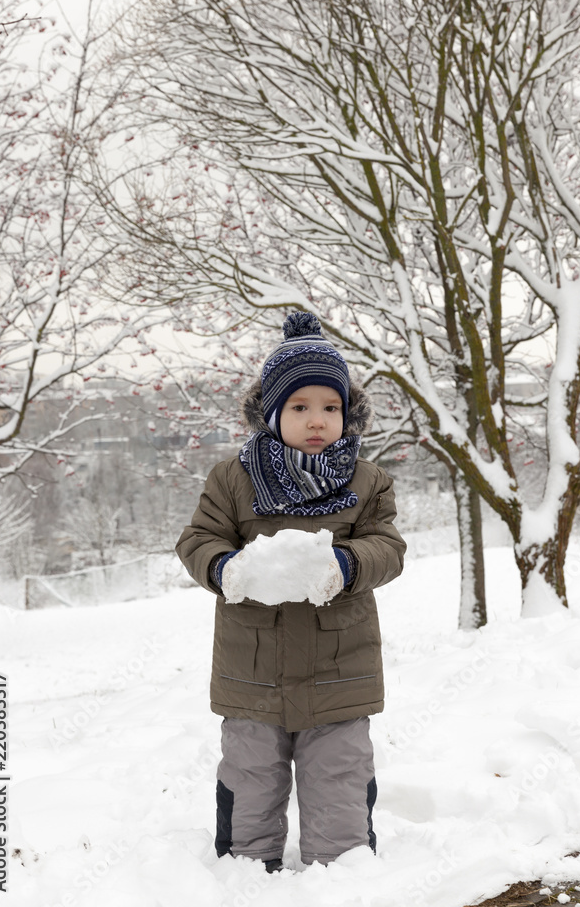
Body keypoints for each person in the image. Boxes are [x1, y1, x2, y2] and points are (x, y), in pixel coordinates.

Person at [176, 311, 406, 871]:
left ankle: (343, 871)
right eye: (299, 407)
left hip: (339, 670)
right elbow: (197, 539)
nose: (316, 420)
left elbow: (389, 547)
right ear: (272, 412)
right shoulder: (234, 478)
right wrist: (227, 570)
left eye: (331, 407)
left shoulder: (367, 480)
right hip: (252, 669)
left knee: (339, 777)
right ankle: (245, 873)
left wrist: (347, 566)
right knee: (251, 778)